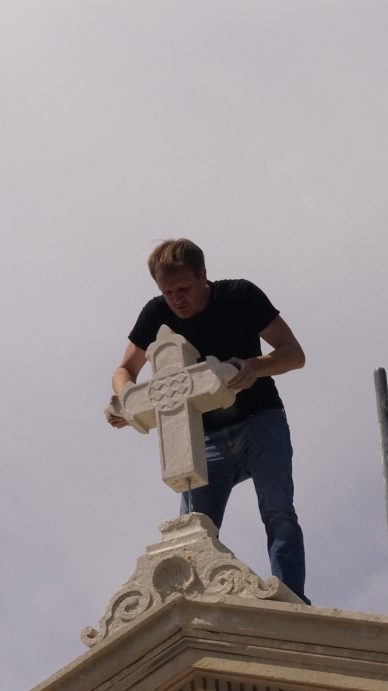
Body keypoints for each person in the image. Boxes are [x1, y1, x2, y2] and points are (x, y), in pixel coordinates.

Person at [106, 238, 309, 604]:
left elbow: (294, 354)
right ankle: (188, 607)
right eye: (168, 292)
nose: (176, 300)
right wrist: (126, 399)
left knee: (278, 511)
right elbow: (125, 370)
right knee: (192, 530)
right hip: (205, 438)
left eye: (184, 289)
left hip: (259, 421)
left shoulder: (239, 296)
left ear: (203, 276)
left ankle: (291, 597)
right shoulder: (156, 314)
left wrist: (253, 367)